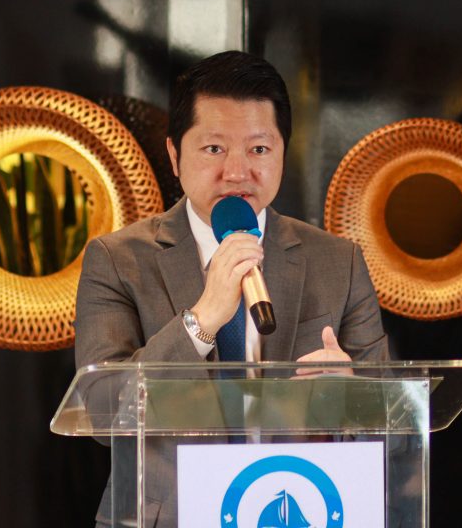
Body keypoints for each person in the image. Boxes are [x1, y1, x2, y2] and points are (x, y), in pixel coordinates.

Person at [74, 50, 388, 526]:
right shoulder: (117, 260)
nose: (237, 172)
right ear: (175, 155)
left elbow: (392, 421)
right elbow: (101, 413)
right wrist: (202, 321)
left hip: (302, 507)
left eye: (259, 149)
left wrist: (351, 401)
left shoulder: (337, 261)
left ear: (283, 153)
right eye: (214, 149)